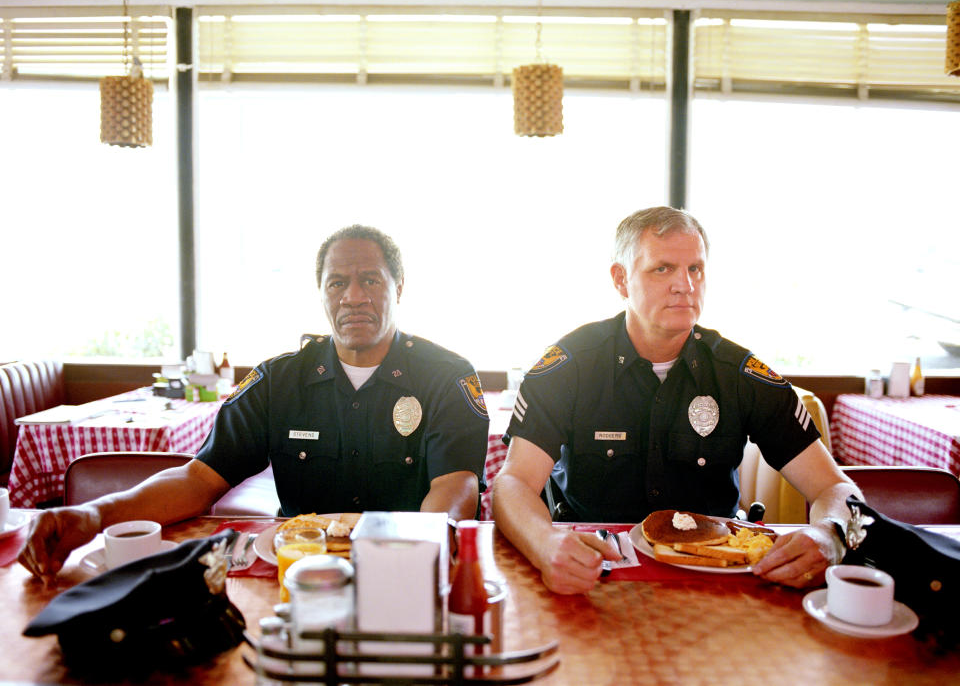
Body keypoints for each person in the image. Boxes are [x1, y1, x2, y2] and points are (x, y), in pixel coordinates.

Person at [20, 225, 490, 582]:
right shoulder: (277, 380)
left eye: (370, 280)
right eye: (336, 283)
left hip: (403, 570)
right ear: (322, 292)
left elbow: (455, 487)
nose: (353, 297)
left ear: (398, 287)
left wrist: (411, 560)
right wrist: (95, 515)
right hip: (299, 574)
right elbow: (197, 477)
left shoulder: (446, 375)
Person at [492, 206, 861, 595]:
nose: (684, 284)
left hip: (712, 580)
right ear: (621, 279)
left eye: (695, 269)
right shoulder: (571, 366)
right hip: (591, 572)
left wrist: (828, 536)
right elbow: (513, 482)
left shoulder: (737, 373)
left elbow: (836, 489)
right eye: (662, 269)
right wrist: (545, 543)